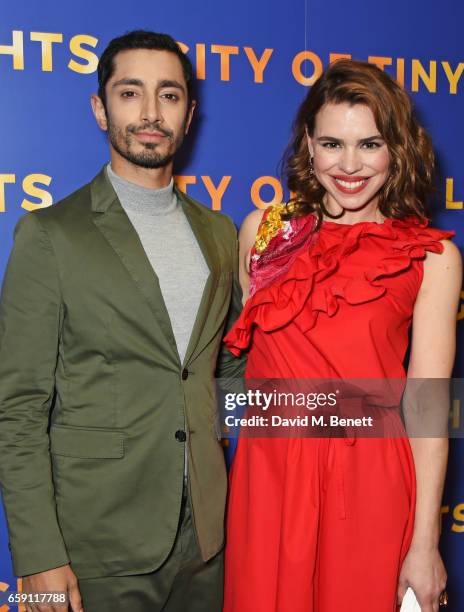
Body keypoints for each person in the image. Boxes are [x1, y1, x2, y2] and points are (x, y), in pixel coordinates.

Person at [0, 30, 243, 612]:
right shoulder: (51, 235)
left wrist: (347, 413)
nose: (152, 113)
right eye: (130, 93)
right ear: (100, 108)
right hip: (94, 545)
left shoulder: (220, 233)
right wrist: (36, 559)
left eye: (170, 95)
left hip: (209, 540)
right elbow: (19, 408)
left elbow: (225, 374)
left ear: (190, 114)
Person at [223, 60, 462, 612]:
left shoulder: (432, 257)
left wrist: (426, 542)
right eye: (332, 143)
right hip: (270, 477)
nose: (349, 166)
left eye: (370, 144)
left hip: (371, 478)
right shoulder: (263, 232)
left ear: (396, 147)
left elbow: (427, 409)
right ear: (308, 143)